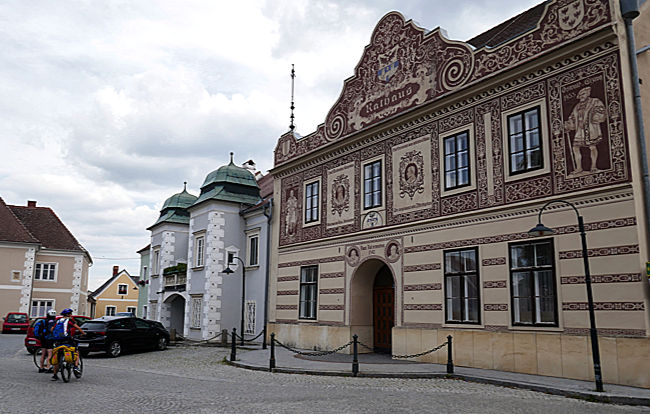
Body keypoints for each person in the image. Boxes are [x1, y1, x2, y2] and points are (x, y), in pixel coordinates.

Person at [564, 85, 607, 174]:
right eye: (580, 95)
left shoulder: (594, 101)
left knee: (592, 147)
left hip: (590, 128)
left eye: (583, 94)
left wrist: (595, 116)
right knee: (575, 147)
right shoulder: (577, 106)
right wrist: (568, 124)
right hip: (579, 129)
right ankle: (579, 168)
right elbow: (572, 117)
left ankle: (594, 166)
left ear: (588, 94)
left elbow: (601, 110)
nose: (581, 96)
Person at [50, 308, 85, 381]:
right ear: (68, 314)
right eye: (71, 313)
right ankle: (75, 367)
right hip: (67, 339)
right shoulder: (70, 321)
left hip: (57, 340)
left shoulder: (58, 320)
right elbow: (77, 327)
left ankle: (55, 375)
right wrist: (83, 333)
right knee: (76, 351)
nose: (71, 315)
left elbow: (52, 329)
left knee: (57, 355)